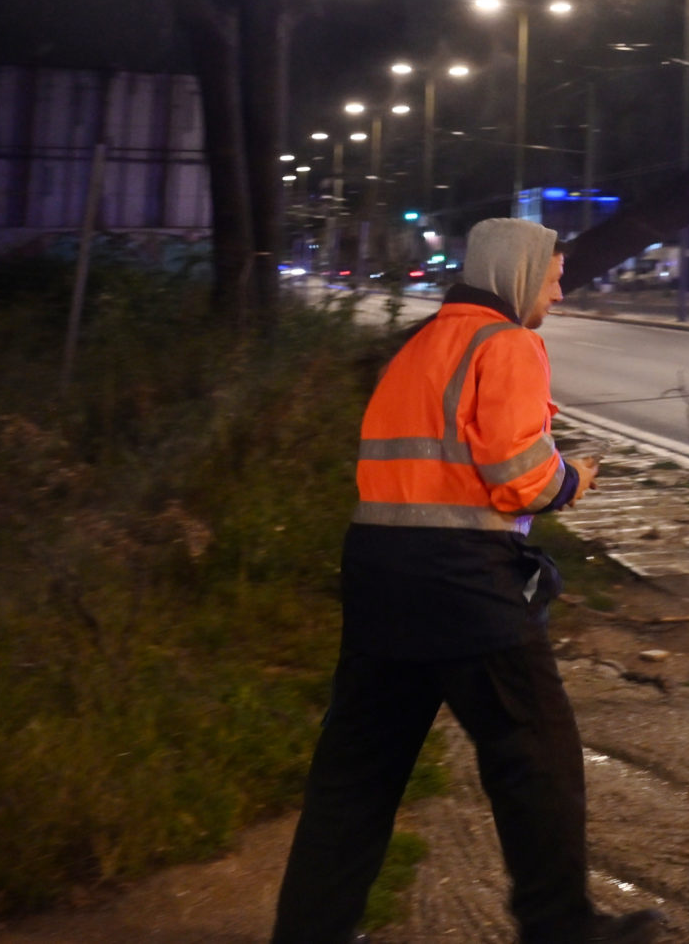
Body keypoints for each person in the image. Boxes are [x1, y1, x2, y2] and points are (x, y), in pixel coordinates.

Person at [271, 218, 659, 944]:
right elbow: (519, 475)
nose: (559, 293)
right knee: (537, 755)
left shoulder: (417, 344)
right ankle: (561, 928)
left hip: (377, 573)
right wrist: (574, 477)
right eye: (553, 279)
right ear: (518, 274)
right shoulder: (505, 343)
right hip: (464, 583)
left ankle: (309, 933)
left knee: (356, 773)